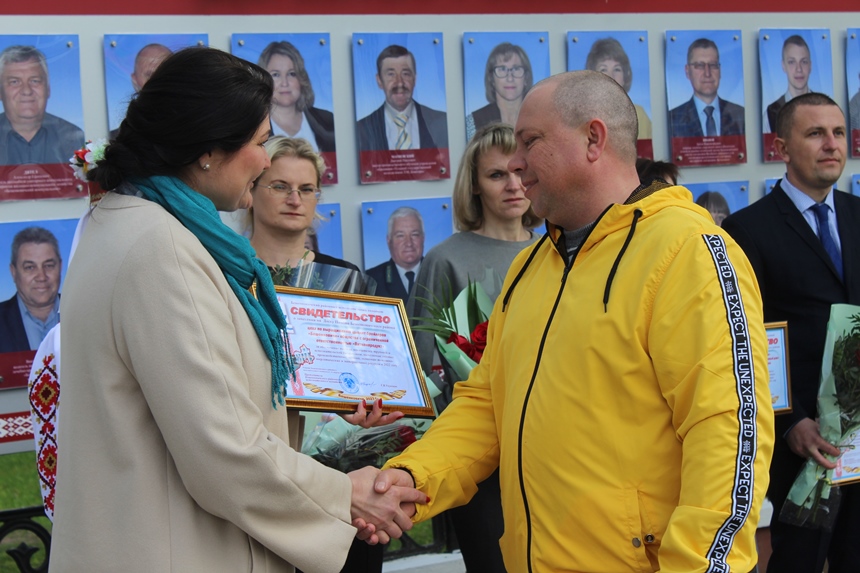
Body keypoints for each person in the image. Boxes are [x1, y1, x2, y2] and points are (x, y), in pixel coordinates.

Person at [371, 70, 774, 572]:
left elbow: (729, 435)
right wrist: (413, 477)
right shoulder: (530, 267)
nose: (515, 163)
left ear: (593, 139)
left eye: (530, 141)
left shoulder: (688, 252)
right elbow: (487, 407)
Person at [49, 47, 425, 572]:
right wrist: (346, 495)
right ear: (208, 149)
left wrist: (320, 391)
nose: (267, 160)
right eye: (259, 141)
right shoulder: (162, 248)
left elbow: (191, 398)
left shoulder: (120, 221)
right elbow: (223, 451)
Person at [723, 93, 860, 573]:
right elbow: (748, 338)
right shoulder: (747, 229)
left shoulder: (859, 214)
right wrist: (791, 422)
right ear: (781, 147)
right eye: (815, 133)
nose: (832, 144)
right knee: (799, 561)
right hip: (802, 441)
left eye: (838, 133)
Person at [249, 135, 399, 573]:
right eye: (280, 186)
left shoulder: (347, 278)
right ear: (251, 190)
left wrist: (370, 408)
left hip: (341, 474)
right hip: (261, 468)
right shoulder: (227, 273)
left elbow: (371, 375)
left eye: (307, 188)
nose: (295, 199)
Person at [410, 123, 540, 572]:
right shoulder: (445, 259)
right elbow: (424, 363)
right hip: (477, 452)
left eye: (520, 171)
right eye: (497, 175)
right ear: (475, 186)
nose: (514, 185)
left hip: (548, 447)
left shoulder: (554, 249)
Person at [0, 45, 84, 166]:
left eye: (35, 81)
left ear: (48, 89)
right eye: (14, 82)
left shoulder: (73, 136)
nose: (27, 91)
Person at [357, 45, 448, 152]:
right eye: (391, 74)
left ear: (414, 79)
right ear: (379, 81)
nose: (399, 82)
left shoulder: (442, 122)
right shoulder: (362, 129)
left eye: (405, 74)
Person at [258, 41, 335, 153]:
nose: (285, 83)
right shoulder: (254, 127)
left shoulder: (327, 119)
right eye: (276, 75)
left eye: (292, 74)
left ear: (302, 78)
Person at [0, 227, 61, 353]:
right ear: (13, 272)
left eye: (49, 265)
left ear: (60, 267)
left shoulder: (83, 314)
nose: (41, 277)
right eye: (30, 267)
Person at [669, 38, 745, 138]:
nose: (707, 73)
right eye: (700, 65)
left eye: (713, 65)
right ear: (687, 71)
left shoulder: (741, 114)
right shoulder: (672, 119)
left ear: (720, 70)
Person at [585, 37, 652, 140]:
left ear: (625, 77)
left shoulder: (639, 115)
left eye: (617, 69)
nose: (611, 76)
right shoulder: (583, 117)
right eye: (603, 69)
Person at [465, 42, 533, 141]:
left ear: (526, 78)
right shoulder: (474, 121)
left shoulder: (541, 118)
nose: (510, 78)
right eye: (502, 69)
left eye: (516, 69)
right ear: (491, 79)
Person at [109, 43, 172, 139]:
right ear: (135, 80)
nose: (157, 81)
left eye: (164, 73)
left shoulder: (194, 130)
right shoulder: (116, 140)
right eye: (149, 75)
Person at [365, 207, 424, 304]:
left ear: (423, 238)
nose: (409, 243)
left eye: (414, 234)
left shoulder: (441, 274)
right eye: (400, 236)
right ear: (389, 241)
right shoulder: (371, 280)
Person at [765, 35, 812, 133]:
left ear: (810, 66)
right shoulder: (770, 115)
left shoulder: (824, 108)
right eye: (791, 62)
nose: (799, 69)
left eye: (804, 62)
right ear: (783, 66)